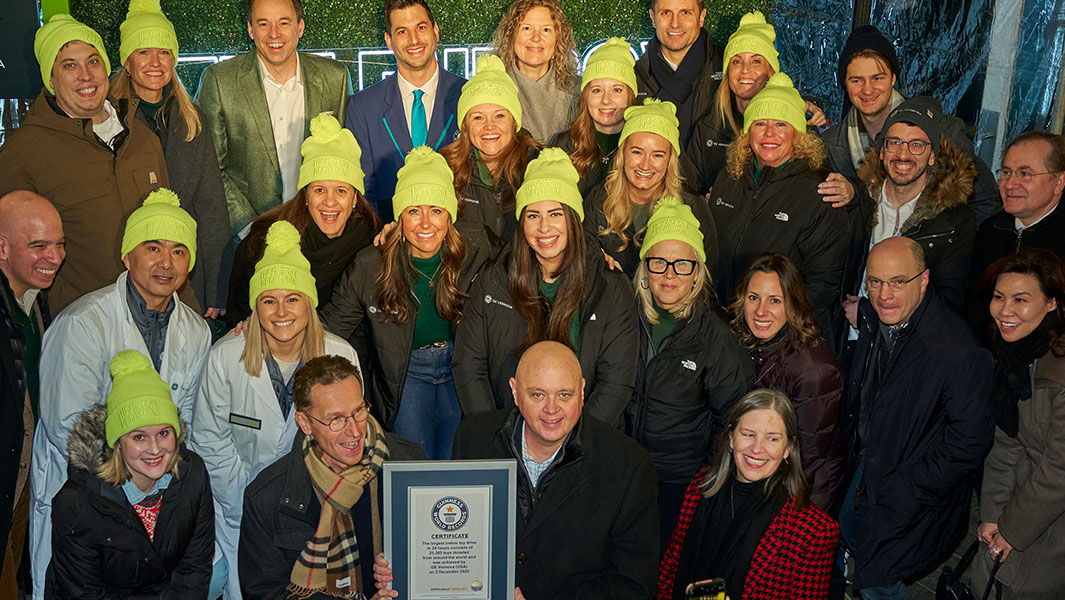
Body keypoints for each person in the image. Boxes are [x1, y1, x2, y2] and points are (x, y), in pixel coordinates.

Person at [29, 188, 211, 599]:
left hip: (157, 510)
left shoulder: (197, 331)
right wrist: (137, 480)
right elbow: (66, 427)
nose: (166, 262)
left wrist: (154, 487)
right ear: (128, 256)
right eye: (153, 247)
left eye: (180, 251)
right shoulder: (82, 323)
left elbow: (188, 423)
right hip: (88, 503)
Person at [191, 219, 359, 600]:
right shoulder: (224, 359)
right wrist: (250, 500)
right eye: (269, 300)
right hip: (239, 511)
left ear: (310, 302)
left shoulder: (341, 355)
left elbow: (351, 437)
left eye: (293, 298)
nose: (281, 311)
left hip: (320, 513)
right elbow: (209, 443)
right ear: (255, 305)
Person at [320, 148, 499, 459]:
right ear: (399, 216)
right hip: (406, 373)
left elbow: (531, 256)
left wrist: (593, 252)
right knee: (415, 463)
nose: (425, 223)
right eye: (414, 211)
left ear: (450, 215)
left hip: (460, 366)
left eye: (436, 210)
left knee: (457, 461)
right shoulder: (370, 265)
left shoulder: (477, 244)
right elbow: (329, 329)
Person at [840, 237, 994, 598]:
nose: (884, 294)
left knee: (880, 574)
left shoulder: (960, 351)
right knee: (850, 530)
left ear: (924, 280)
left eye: (898, 281)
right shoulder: (879, 320)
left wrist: (909, 486)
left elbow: (969, 442)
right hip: (872, 463)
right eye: (875, 281)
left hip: (912, 485)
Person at [451, 341, 658, 598]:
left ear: (582, 391)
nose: (552, 409)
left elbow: (633, 584)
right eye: (538, 394)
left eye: (564, 395)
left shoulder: (629, 466)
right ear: (515, 391)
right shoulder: (472, 439)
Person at [453, 148, 639, 426]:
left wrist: (574, 443)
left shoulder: (610, 286)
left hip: (583, 441)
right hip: (508, 432)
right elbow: (469, 367)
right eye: (532, 215)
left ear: (573, 219)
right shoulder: (494, 281)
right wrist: (495, 433)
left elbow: (616, 381)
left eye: (555, 214)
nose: (544, 227)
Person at [0, 13, 168, 312]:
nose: (86, 75)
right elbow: (13, 266)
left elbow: (169, 230)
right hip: (80, 325)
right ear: (50, 80)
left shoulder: (142, 137)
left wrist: (186, 305)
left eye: (93, 61)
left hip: (155, 312)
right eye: (69, 65)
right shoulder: (22, 154)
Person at [240, 355, 423, 599]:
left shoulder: (408, 465)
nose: (354, 430)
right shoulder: (267, 497)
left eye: (358, 411)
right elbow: (265, 592)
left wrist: (404, 571)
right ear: (305, 423)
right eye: (336, 419)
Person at [627, 197, 752, 545]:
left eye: (682, 263)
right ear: (644, 267)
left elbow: (733, 416)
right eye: (659, 261)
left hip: (678, 484)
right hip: (622, 472)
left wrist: (706, 476)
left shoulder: (716, 339)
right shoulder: (621, 319)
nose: (669, 274)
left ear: (697, 271)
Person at [45, 350, 214, 598]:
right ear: (117, 442)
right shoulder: (79, 503)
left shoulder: (192, 475)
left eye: (164, 433)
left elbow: (194, 568)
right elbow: (84, 593)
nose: (155, 448)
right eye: (139, 437)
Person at [655, 389, 839, 600]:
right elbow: (670, 569)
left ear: (788, 447)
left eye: (772, 439)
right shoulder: (701, 486)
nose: (757, 448)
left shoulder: (813, 531)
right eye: (749, 434)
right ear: (731, 438)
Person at [708, 72, 849, 344]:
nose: (769, 134)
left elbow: (821, 284)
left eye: (781, 124)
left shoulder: (819, 190)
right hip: (725, 330)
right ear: (748, 131)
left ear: (797, 134)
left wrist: (775, 336)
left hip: (780, 339)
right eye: (760, 123)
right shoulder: (730, 177)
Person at [196, 0, 353, 238]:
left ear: (300, 27)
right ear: (250, 29)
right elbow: (211, 167)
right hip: (247, 236)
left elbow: (345, 161)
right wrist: (252, 230)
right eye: (263, 24)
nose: (274, 34)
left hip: (319, 232)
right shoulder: (219, 81)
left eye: (283, 23)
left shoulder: (335, 77)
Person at [113, 0, 230, 317]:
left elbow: (211, 207)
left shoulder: (193, 119)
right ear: (127, 61)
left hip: (184, 272)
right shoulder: (106, 117)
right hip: (122, 270)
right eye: (143, 52)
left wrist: (217, 289)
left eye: (163, 52)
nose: (155, 62)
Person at [821, 24, 1000, 223]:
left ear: (893, 78)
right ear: (845, 84)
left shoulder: (942, 131)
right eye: (856, 80)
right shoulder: (831, 144)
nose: (868, 90)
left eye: (877, 78)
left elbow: (987, 201)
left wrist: (952, 246)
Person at [840, 97, 979, 346]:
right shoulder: (856, 201)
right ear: (881, 151)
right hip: (847, 342)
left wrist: (867, 314)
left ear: (933, 156)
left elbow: (949, 298)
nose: (903, 155)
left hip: (906, 348)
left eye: (916, 145)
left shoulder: (954, 219)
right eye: (894, 143)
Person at [226, 112, 380, 327]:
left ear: (355, 198)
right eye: (319, 190)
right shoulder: (263, 240)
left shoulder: (370, 237)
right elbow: (239, 312)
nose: (330, 201)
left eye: (341, 191)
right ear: (306, 196)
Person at [973, 248, 1065, 599]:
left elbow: (1059, 471)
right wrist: (993, 514)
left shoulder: (1057, 372)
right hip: (1020, 505)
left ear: (1052, 303)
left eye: (1021, 299)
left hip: (1049, 525)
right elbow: (1007, 438)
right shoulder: (1018, 354)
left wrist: (1012, 530)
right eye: (999, 297)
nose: (1005, 310)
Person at [729, 253, 845, 510]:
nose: (761, 311)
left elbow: (807, 457)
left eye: (774, 301)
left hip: (799, 492)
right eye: (753, 298)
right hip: (761, 470)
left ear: (793, 305)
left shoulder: (814, 370)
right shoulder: (745, 340)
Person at [682, 11, 828, 195]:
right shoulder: (707, 129)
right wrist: (706, 204)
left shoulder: (801, 124)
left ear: (772, 71)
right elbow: (690, 191)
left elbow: (825, 185)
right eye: (736, 61)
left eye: (756, 61)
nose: (745, 70)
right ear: (727, 73)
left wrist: (849, 191)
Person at [345, 0, 465, 220]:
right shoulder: (363, 107)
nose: (414, 40)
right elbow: (363, 194)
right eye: (402, 31)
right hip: (387, 242)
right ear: (388, 41)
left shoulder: (467, 96)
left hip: (460, 242)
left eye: (421, 27)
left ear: (435, 31)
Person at [0, 192, 64, 595]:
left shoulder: (37, 300)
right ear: (1, 246)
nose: (54, 257)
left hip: (23, 482)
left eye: (59, 244)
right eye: (38, 245)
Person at [583, 99, 717, 277]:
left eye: (657, 155)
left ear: (670, 160)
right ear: (622, 153)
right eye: (637, 152)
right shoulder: (598, 201)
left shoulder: (693, 206)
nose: (645, 165)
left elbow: (710, 278)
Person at [440, 54, 540, 242]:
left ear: (514, 122)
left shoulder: (539, 164)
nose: (489, 126)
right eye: (478, 117)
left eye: (499, 116)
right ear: (465, 126)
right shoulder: (445, 169)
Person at [969, 132, 1065, 323]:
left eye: (1025, 174)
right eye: (1006, 172)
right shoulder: (990, 231)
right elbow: (974, 307)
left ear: (1059, 183)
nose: (1010, 184)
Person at [551, 37, 636, 197]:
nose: (606, 100)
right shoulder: (563, 147)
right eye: (597, 90)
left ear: (630, 96)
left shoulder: (646, 149)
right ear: (585, 97)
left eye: (616, 90)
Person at [635, 0, 724, 147]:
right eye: (666, 13)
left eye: (685, 13)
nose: (675, 24)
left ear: (701, 17)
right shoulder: (633, 77)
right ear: (653, 18)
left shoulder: (728, 69)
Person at [490, 0, 578, 144]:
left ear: (558, 39)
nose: (536, 38)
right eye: (526, 28)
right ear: (511, 35)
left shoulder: (579, 91)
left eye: (546, 30)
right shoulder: (491, 89)